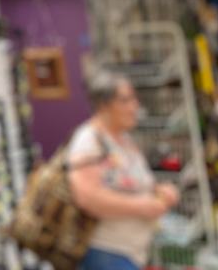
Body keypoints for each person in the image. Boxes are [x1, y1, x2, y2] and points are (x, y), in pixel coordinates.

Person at [68, 71, 181, 270]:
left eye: (134, 98)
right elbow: (87, 197)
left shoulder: (124, 140)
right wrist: (142, 206)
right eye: (125, 100)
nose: (134, 106)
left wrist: (158, 190)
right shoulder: (89, 140)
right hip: (107, 252)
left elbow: (130, 183)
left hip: (131, 254)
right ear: (103, 105)